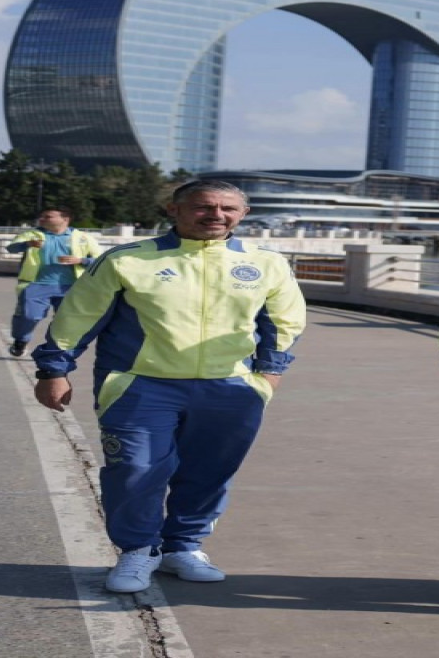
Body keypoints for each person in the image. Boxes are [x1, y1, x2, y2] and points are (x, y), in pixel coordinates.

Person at [32, 180, 306, 593]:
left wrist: (267, 377)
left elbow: (284, 322)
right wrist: (54, 369)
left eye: (228, 208)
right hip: (140, 386)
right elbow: (77, 317)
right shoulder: (127, 259)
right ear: (174, 210)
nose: (216, 215)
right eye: (203, 207)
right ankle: (137, 551)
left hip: (230, 388)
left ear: (243, 215)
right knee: (135, 471)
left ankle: (183, 546)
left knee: (209, 472)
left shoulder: (266, 262)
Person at [6, 206, 102, 357]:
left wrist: (81, 260)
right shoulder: (32, 234)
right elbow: (11, 248)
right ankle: (21, 340)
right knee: (29, 316)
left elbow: (101, 260)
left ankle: (55, 349)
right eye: (42, 216)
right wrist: (27, 244)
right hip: (36, 284)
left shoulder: (82, 237)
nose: (42, 219)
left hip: (71, 286)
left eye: (48, 216)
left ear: (65, 219)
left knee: (65, 320)